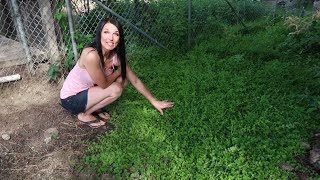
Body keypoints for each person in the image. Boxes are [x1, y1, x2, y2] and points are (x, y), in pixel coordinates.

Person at [60, 17, 174, 128]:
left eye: (116, 34)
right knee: (116, 88)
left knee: (123, 80)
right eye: (106, 32)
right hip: (71, 99)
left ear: (119, 39)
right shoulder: (91, 55)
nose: (111, 38)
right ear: (99, 34)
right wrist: (117, 72)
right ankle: (85, 114)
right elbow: (104, 84)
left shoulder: (115, 57)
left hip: (87, 91)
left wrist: (154, 101)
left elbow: (134, 80)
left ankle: (95, 108)